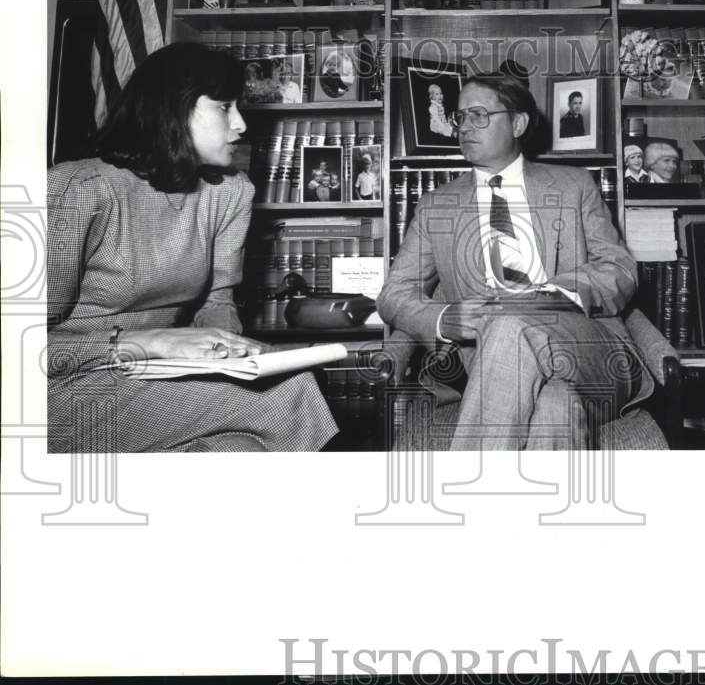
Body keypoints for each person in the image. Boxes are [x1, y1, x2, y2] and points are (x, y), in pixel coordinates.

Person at [47, 42, 339, 452]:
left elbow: (217, 302)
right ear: (174, 108)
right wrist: (150, 342)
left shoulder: (229, 193)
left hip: (159, 375)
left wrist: (231, 348)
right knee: (289, 393)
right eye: (224, 107)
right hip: (63, 384)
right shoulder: (80, 190)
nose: (240, 125)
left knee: (239, 452)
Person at [377, 73, 654, 450]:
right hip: (488, 361)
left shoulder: (574, 186)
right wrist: (445, 319)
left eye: (478, 115)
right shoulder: (434, 207)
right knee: (556, 406)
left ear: (518, 123)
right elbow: (395, 293)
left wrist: (550, 294)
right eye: (460, 117)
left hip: (588, 347)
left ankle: (468, 498)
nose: (464, 128)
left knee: (511, 323)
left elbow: (620, 270)